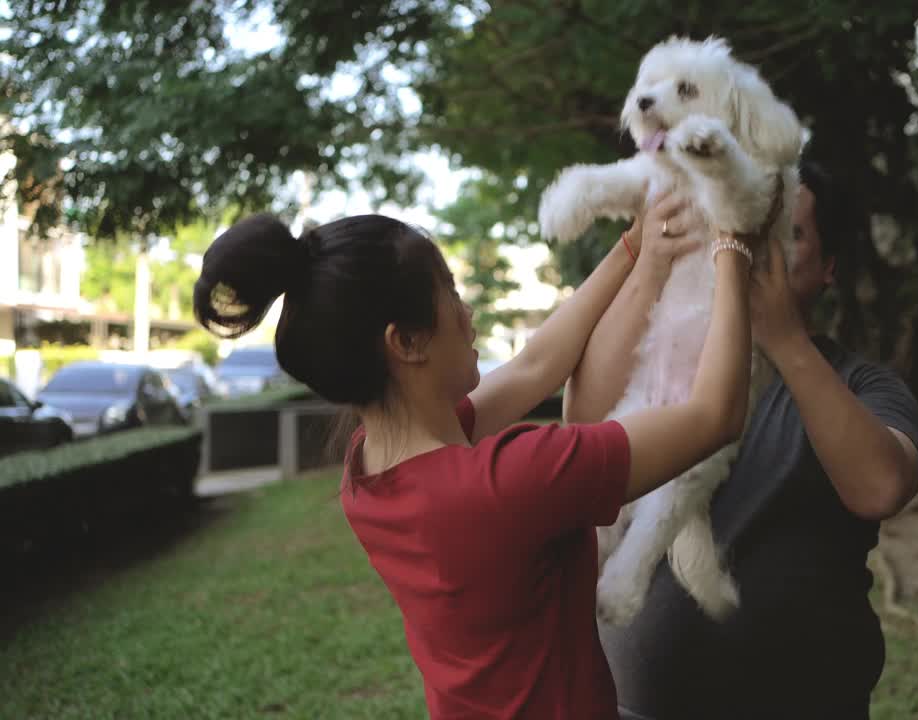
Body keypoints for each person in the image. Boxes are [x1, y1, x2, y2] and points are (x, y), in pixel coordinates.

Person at [191, 191, 760, 720]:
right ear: (406, 343)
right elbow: (714, 416)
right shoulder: (509, 480)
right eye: (450, 295)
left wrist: (632, 249)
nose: (468, 315)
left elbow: (536, 368)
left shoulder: (370, 471)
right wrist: (732, 246)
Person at [565, 158, 918, 719]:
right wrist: (651, 261)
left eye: (791, 233)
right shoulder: (668, 366)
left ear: (828, 267)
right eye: (749, 225)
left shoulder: (862, 384)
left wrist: (783, 337)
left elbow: (881, 487)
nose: (758, 247)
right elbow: (585, 421)